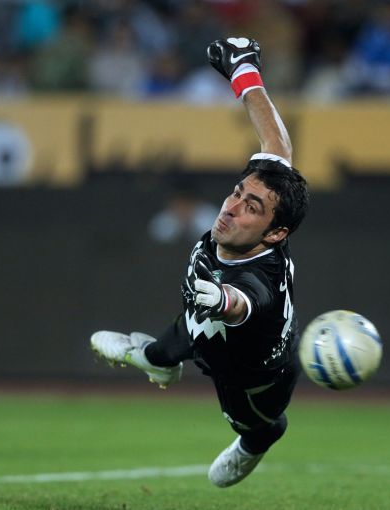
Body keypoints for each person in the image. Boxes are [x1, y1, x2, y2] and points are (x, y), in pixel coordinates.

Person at [91, 37, 310, 488]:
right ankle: (156, 360)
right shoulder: (260, 206)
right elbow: (276, 143)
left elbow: (246, 302)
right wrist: (244, 70)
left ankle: (257, 441)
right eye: (237, 193)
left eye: (252, 208)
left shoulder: (261, 277)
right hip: (204, 321)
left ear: (275, 234)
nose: (231, 208)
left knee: (259, 426)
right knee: (175, 340)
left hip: (252, 378)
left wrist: (223, 299)